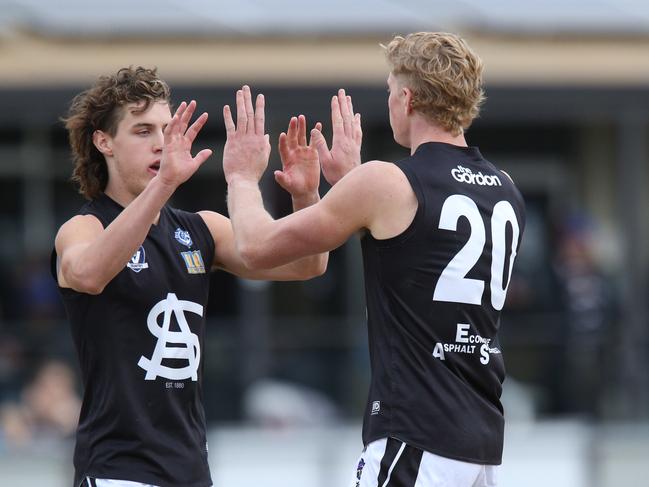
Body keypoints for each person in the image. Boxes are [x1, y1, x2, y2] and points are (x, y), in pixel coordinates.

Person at [223, 32, 526, 487]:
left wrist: (243, 177)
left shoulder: (388, 183)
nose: (388, 103)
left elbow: (254, 246)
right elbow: (418, 258)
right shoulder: (505, 186)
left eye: (388, 92)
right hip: (478, 438)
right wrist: (342, 183)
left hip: (417, 433)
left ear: (406, 99)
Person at [52, 66, 327, 487]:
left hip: (190, 471)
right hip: (117, 471)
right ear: (103, 141)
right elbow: (88, 274)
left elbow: (307, 264)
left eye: (168, 129)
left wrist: (306, 196)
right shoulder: (83, 227)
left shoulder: (201, 229)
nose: (162, 143)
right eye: (143, 131)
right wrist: (162, 186)